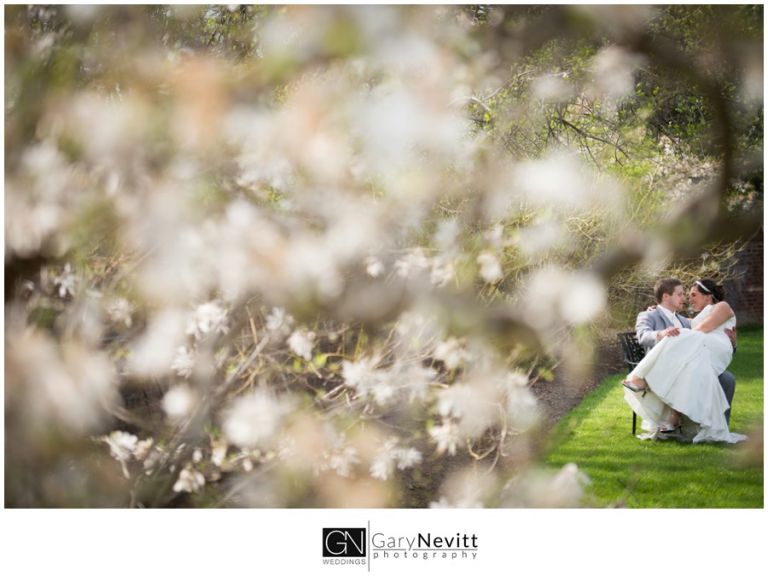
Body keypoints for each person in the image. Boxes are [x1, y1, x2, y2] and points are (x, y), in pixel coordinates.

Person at [623, 279, 746, 444]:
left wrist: (733, 343)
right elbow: (644, 336)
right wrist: (661, 332)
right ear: (666, 296)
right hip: (686, 361)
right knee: (684, 349)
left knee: (725, 377)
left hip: (701, 354)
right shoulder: (652, 315)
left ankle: (643, 380)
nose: (688, 299)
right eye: (682, 294)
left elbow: (701, 330)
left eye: (693, 295)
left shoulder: (718, 308)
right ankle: (680, 418)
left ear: (708, 296)